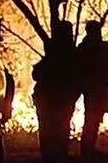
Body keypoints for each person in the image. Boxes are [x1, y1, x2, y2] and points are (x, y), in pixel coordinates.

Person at [34, 20, 80, 163]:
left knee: (48, 126)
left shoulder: (52, 51)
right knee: (61, 125)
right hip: (61, 96)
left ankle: (49, 155)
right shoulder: (72, 53)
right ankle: (59, 153)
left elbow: (37, 73)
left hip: (49, 96)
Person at [77, 20, 108, 162]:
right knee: (93, 118)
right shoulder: (103, 47)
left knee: (91, 117)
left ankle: (87, 148)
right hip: (97, 88)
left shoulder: (82, 47)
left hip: (90, 89)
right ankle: (87, 149)